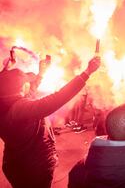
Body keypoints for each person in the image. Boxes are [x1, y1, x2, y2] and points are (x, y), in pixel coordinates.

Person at [0, 56, 100, 188]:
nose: (30, 84)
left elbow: (25, 92)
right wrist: (87, 73)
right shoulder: (20, 110)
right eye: (27, 82)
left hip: (17, 164)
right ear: (21, 88)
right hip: (32, 169)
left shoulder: (7, 103)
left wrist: (40, 74)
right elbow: (57, 98)